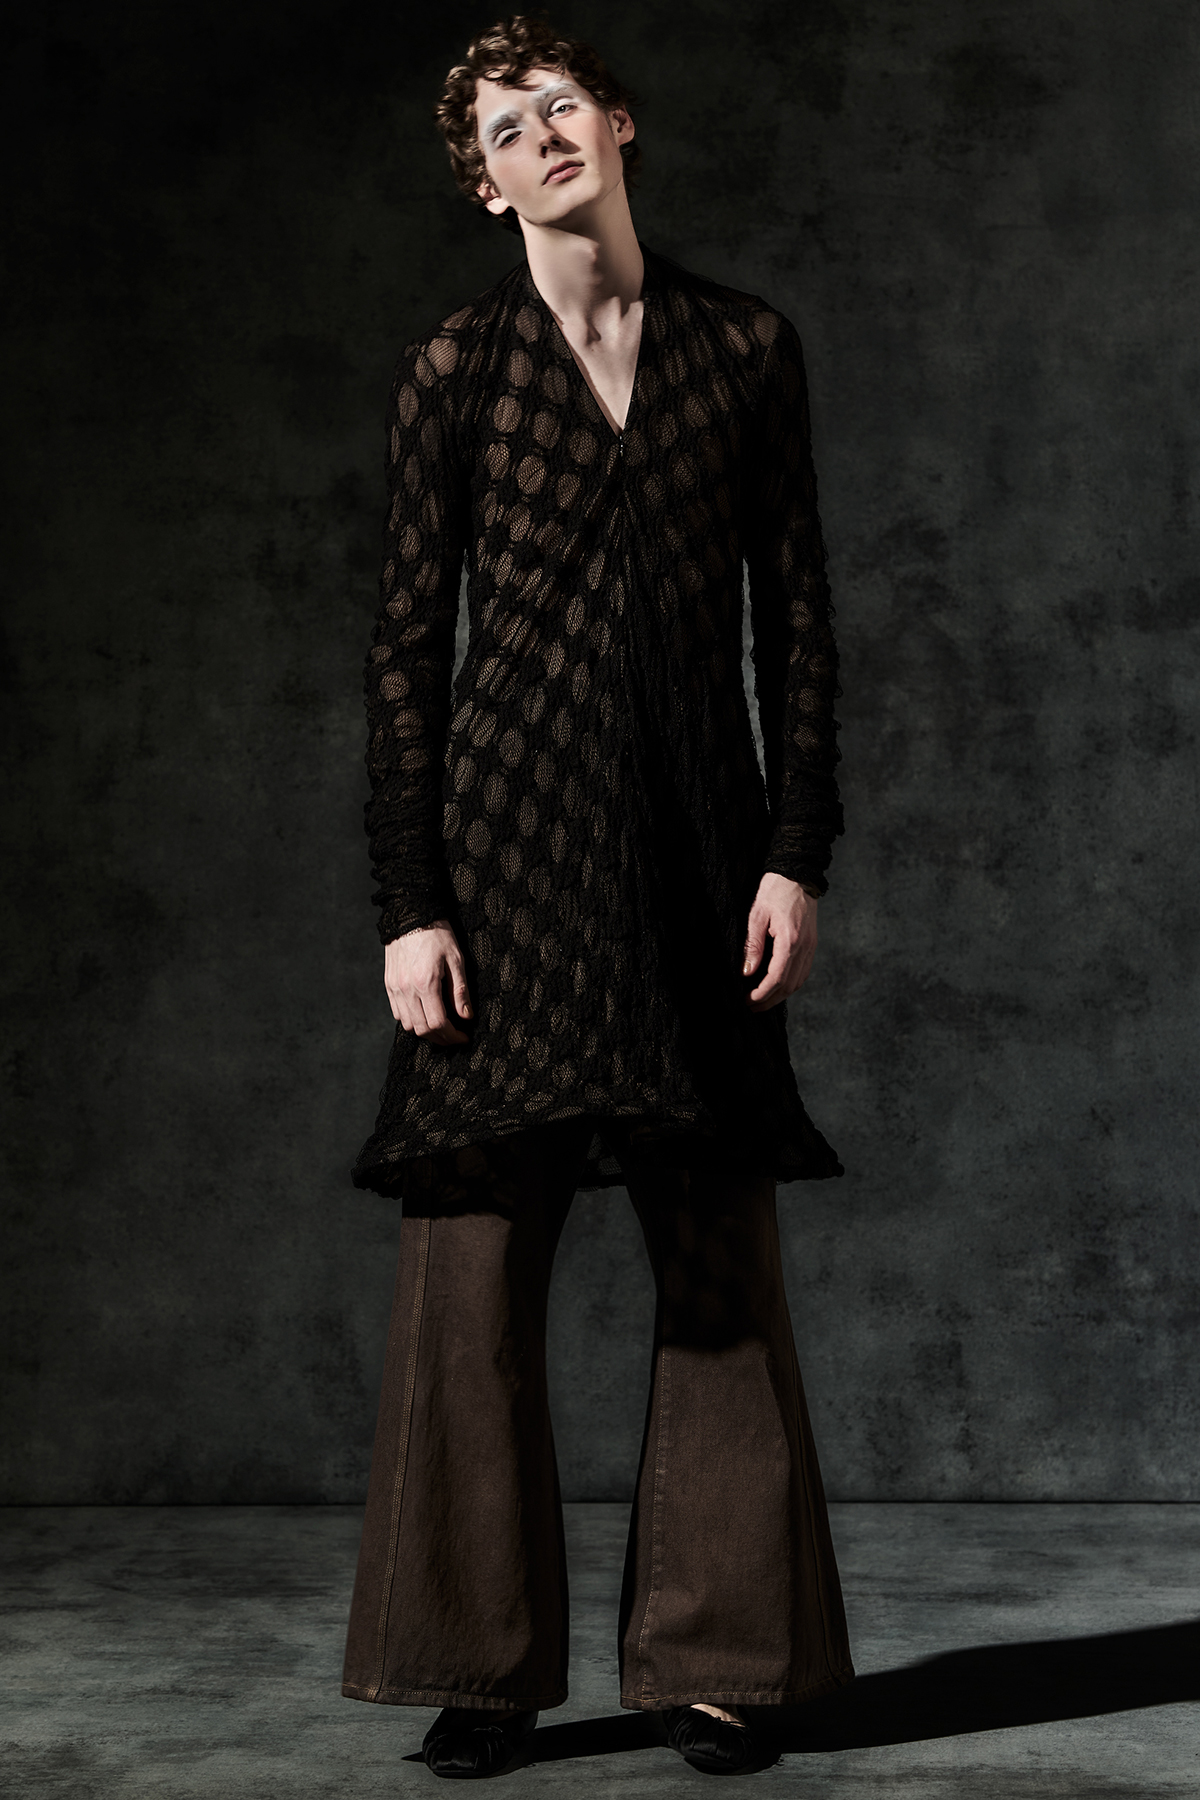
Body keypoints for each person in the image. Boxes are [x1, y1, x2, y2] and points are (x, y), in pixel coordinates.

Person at [341, 14, 854, 1779]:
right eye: (506, 128)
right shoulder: (457, 370)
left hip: (704, 856)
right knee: (472, 1272)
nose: (542, 134)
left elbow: (800, 621)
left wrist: (796, 851)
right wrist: (410, 900)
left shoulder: (744, 349)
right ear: (485, 189)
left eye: (562, 105)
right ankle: (473, 1666)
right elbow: (405, 652)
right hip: (504, 862)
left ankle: (725, 1664)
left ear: (619, 125)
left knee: (717, 1254)